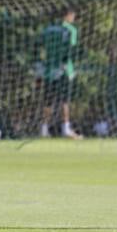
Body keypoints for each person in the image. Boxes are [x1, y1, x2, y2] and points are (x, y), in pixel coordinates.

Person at [37, 9, 81, 139]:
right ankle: (66, 129)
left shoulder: (48, 29)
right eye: (73, 16)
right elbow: (70, 50)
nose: (73, 19)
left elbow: (40, 46)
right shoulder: (70, 30)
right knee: (64, 100)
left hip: (48, 70)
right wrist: (68, 68)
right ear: (68, 15)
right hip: (63, 70)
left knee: (48, 101)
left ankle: (44, 129)